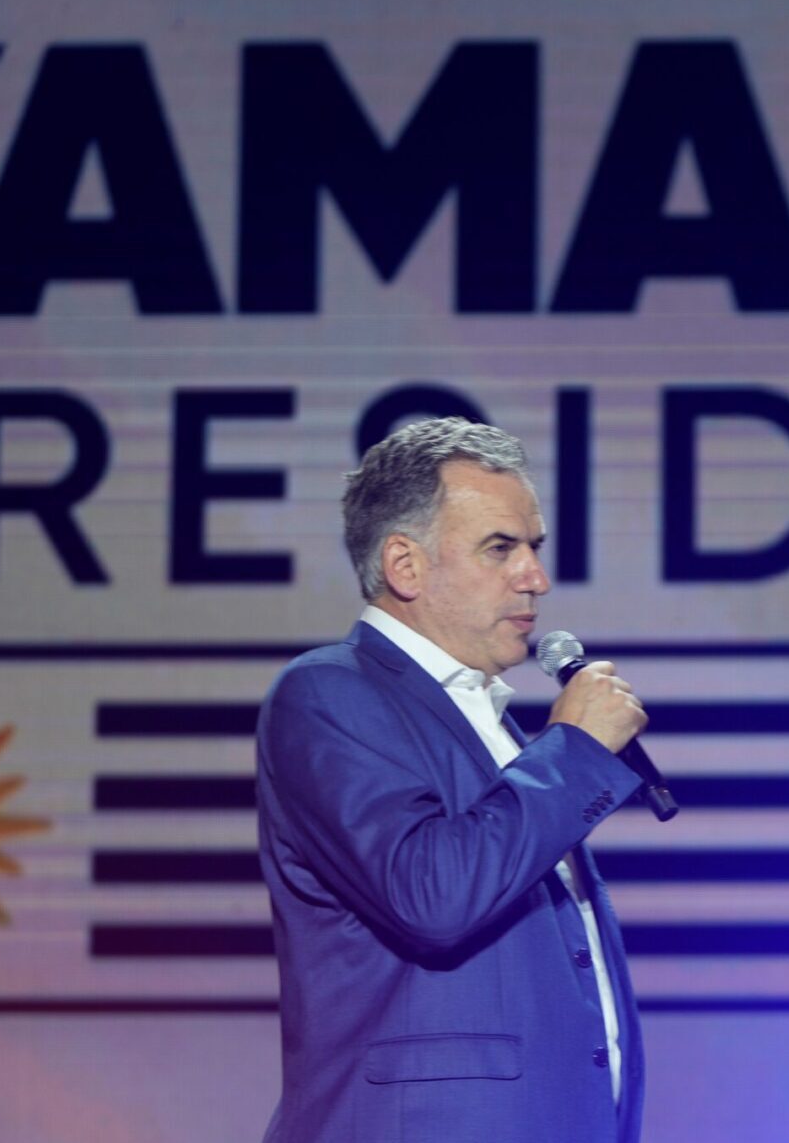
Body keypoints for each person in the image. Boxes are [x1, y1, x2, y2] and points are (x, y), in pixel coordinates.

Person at [254, 416, 650, 1143]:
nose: (536, 577)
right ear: (405, 565)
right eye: (500, 548)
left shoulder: (493, 721)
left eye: (533, 548)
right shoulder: (331, 693)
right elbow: (432, 894)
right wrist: (573, 751)